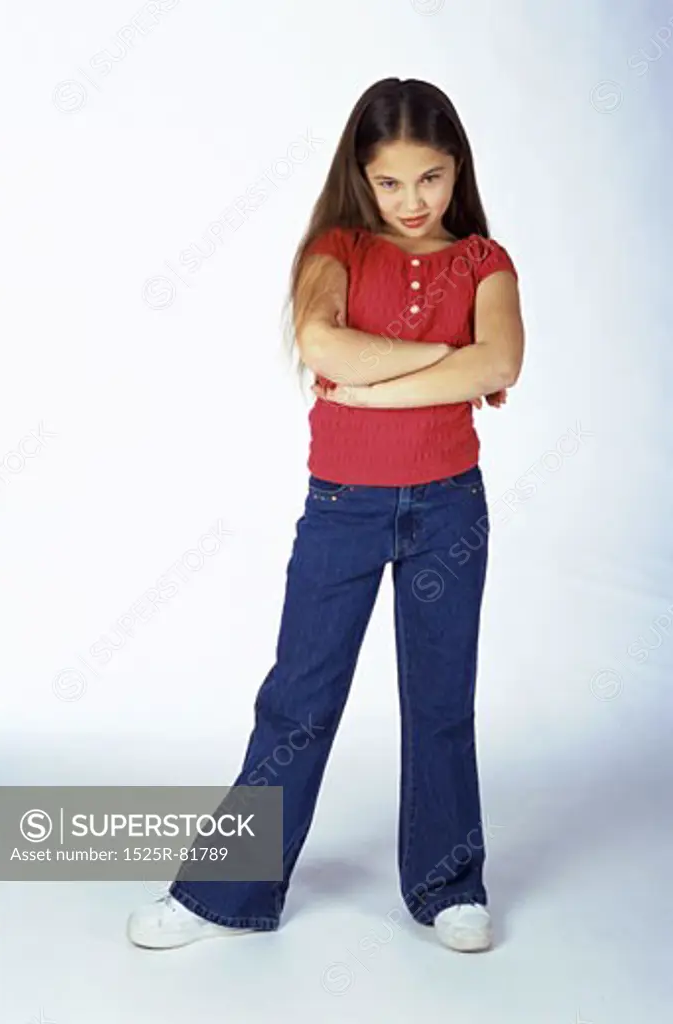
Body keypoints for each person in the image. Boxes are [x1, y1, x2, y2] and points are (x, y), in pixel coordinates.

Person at [126, 76, 524, 953]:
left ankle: (448, 886)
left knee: (440, 703)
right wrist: (439, 360)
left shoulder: (483, 262)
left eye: (430, 178)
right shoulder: (334, 248)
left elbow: (496, 361)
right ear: (361, 175)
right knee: (298, 700)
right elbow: (321, 344)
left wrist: (377, 394)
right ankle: (221, 893)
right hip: (342, 508)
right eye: (390, 181)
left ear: (456, 169)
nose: (412, 200)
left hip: (448, 509)